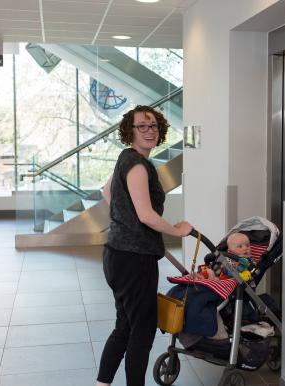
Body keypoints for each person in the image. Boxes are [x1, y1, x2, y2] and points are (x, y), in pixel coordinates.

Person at [96, 105, 193, 386]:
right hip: (133, 260)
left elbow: (107, 193)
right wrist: (177, 230)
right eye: (142, 126)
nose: (149, 131)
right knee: (142, 331)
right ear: (130, 131)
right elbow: (146, 215)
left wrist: (128, 222)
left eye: (153, 126)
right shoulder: (138, 165)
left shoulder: (125, 158)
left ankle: (102, 384)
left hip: (117, 255)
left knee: (125, 326)